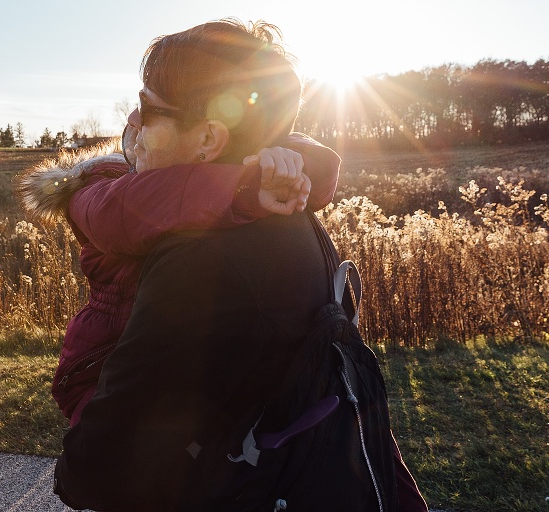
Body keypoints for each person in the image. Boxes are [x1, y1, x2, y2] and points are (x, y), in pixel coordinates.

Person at [54, 19, 427, 512]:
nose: (133, 123)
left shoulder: (200, 259)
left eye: (147, 109)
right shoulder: (296, 220)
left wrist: (75, 470)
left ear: (209, 139)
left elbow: (110, 459)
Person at [19, 125, 341, 427]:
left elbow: (326, 171)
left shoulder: (166, 176)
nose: (139, 123)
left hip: (155, 365)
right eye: (137, 119)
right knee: (108, 462)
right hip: (98, 368)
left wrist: (289, 162)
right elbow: (155, 200)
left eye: (150, 114)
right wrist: (248, 183)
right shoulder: (97, 186)